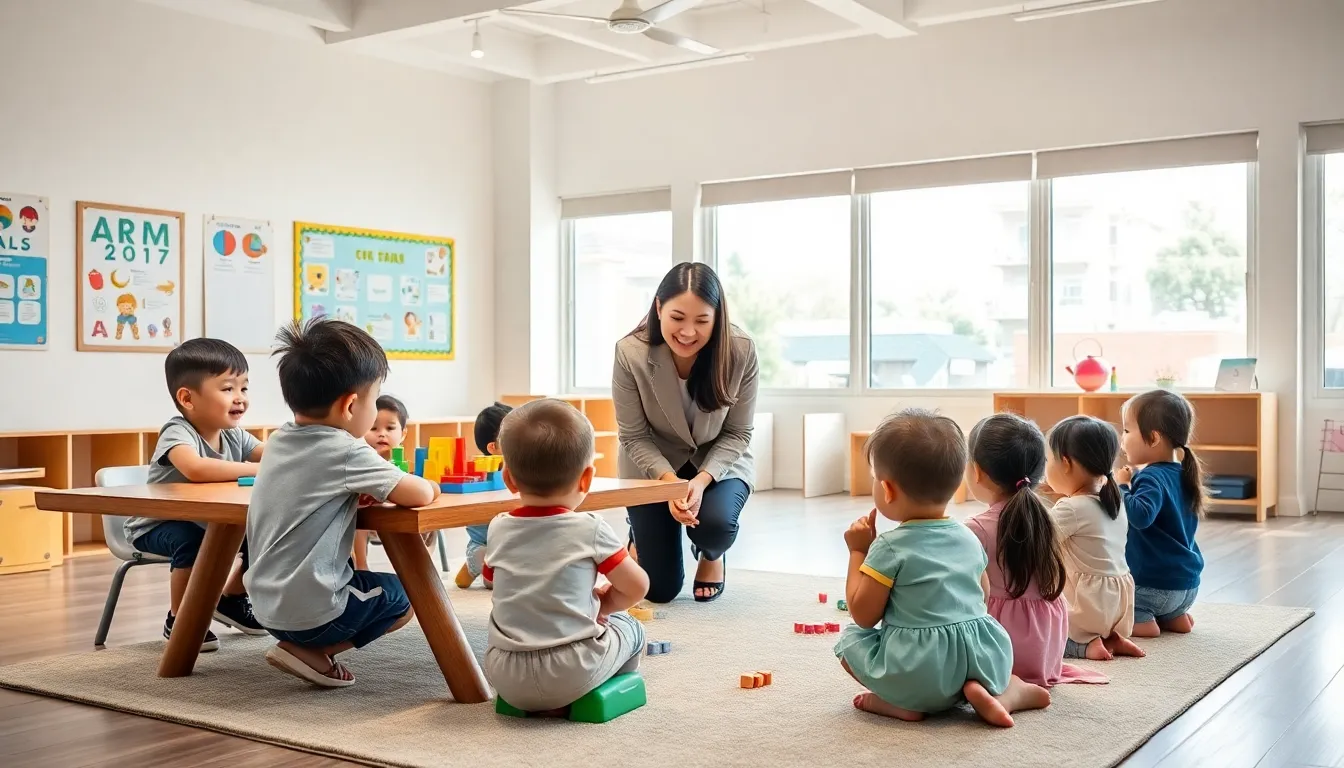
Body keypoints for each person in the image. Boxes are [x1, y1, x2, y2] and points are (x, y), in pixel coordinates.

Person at [245, 318, 440, 687]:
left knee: (374, 585)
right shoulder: (348, 450)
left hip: (264, 606)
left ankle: (302, 645)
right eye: (374, 399)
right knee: (413, 591)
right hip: (315, 610)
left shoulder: (278, 440)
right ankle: (319, 652)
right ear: (352, 405)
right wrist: (432, 485)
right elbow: (419, 494)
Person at [835, 408, 1050, 727]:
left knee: (849, 641)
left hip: (920, 675)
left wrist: (858, 551)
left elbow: (863, 616)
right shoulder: (968, 536)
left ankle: (901, 702)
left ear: (889, 490)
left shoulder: (889, 547)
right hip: (985, 661)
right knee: (972, 654)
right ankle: (996, 690)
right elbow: (982, 596)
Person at [482, 399, 650, 715]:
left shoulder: (499, 527)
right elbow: (637, 586)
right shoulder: (590, 528)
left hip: (505, 674)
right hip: (571, 668)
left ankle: (550, 696)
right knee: (630, 628)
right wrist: (607, 604)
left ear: (509, 479)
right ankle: (599, 688)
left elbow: (492, 580)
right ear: (586, 479)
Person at [613, 262, 758, 603]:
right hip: (652, 466)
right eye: (677, 318)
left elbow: (738, 432)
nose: (688, 332)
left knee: (716, 527)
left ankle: (711, 555)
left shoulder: (740, 349)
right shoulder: (630, 353)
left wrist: (701, 481)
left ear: (717, 317)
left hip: (715, 462)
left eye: (702, 321)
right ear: (659, 308)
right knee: (660, 590)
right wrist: (670, 484)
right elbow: (633, 436)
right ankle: (639, 533)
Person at [125, 338, 267, 651]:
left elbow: (267, 454)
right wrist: (258, 470)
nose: (240, 398)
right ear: (188, 398)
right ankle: (180, 618)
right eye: (228, 388)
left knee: (264, 532)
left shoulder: (233, 433)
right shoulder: (178, 431)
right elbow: (196, 469)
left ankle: (232, 598)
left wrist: (295, 449)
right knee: (191, 540)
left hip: (207, 520)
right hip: (155, 524)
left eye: (244, 387)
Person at [965, 414, 1105, 687]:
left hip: (1003, 646)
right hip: (1044, 647)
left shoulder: (974, 530)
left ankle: (1012, 689)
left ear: (978, 471)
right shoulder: (1046, 517)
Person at [1046, 415, 1144, 661]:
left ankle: (1084, 647)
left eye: (1049, 459)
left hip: (1089, 607)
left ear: (1066, 463)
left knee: (1043, 633)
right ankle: (1112, 637)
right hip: (1118, 606)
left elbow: (1037, 540)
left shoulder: (1071, 508)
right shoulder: (1115, 501)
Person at [1116, 389, 1206, 638]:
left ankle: (1144, 623)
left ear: (1153, 438)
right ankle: (1176, 617)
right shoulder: (1183, 473)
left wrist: (1122, 486)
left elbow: (1140, 516)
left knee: (1117, 608)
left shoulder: (1151, 476)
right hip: (1187, 587)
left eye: (1126, 431)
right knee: (1169, 609)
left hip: (1152, 587)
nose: (1122, 439)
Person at [455, 401, 512, 589]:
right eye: (514, 435)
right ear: (493, 447)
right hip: (484, 541)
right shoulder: (481, 475)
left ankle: (483, 566)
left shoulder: (525, 470)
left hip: (512, 539)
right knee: (483, 553)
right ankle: (475, 564)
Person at [355, 394, 409, 569]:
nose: (382, 434)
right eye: (373, 428)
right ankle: (361, 567)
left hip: (396, 519)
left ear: (403, 434)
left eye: (390, 428)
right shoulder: (362, 461)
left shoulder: (402, 463)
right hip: (366, 522)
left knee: (427, 525)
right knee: (357, 523)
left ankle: (417, 567)